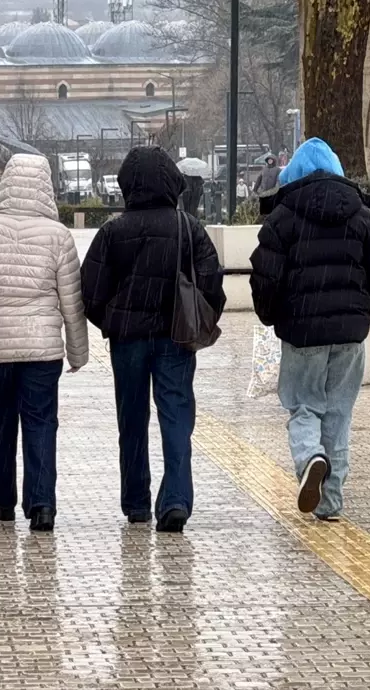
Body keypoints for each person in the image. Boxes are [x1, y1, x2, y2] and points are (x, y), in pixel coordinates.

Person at [249, 138, 370, 521]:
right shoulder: (363, 217)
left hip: (301, 334)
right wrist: (364, 310)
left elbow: (265, 278)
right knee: (338, 415)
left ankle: (309, 457)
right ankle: (330, 502)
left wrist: (271, 316)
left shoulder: (282, 219)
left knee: (303, 406)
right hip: (350, 335)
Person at [80, 147, 226, 533]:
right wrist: (201, 316)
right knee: (176, 417)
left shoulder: (113, 231)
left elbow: (90, 291)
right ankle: (176, 499)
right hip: (175, 337)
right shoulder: (187, 226)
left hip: (128, 341)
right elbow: (211, 280)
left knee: (131, 419)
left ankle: (136, 502)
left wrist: (112, 319)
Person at [0, 155, 89, 533]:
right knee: (42, 422)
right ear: (46, 186)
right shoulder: (59, 236)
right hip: (43, 350)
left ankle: (4, 500)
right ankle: (42, 505)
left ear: (6, 184)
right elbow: (71, 301)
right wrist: (77, 351)